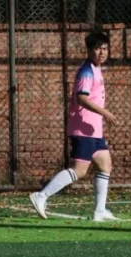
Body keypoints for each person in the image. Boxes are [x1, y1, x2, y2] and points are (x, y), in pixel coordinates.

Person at [29, 31, 116, 221]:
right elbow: (81, 98)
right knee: (80, 170)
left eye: (105, 48)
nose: (102, 52)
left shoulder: (96, 69)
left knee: (105, 165)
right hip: (82, 128)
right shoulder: (86, 71)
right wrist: (104, 112)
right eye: (98, 49)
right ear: (89, 50)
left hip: (94, 130)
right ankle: (41, 196)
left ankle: (100, 211)